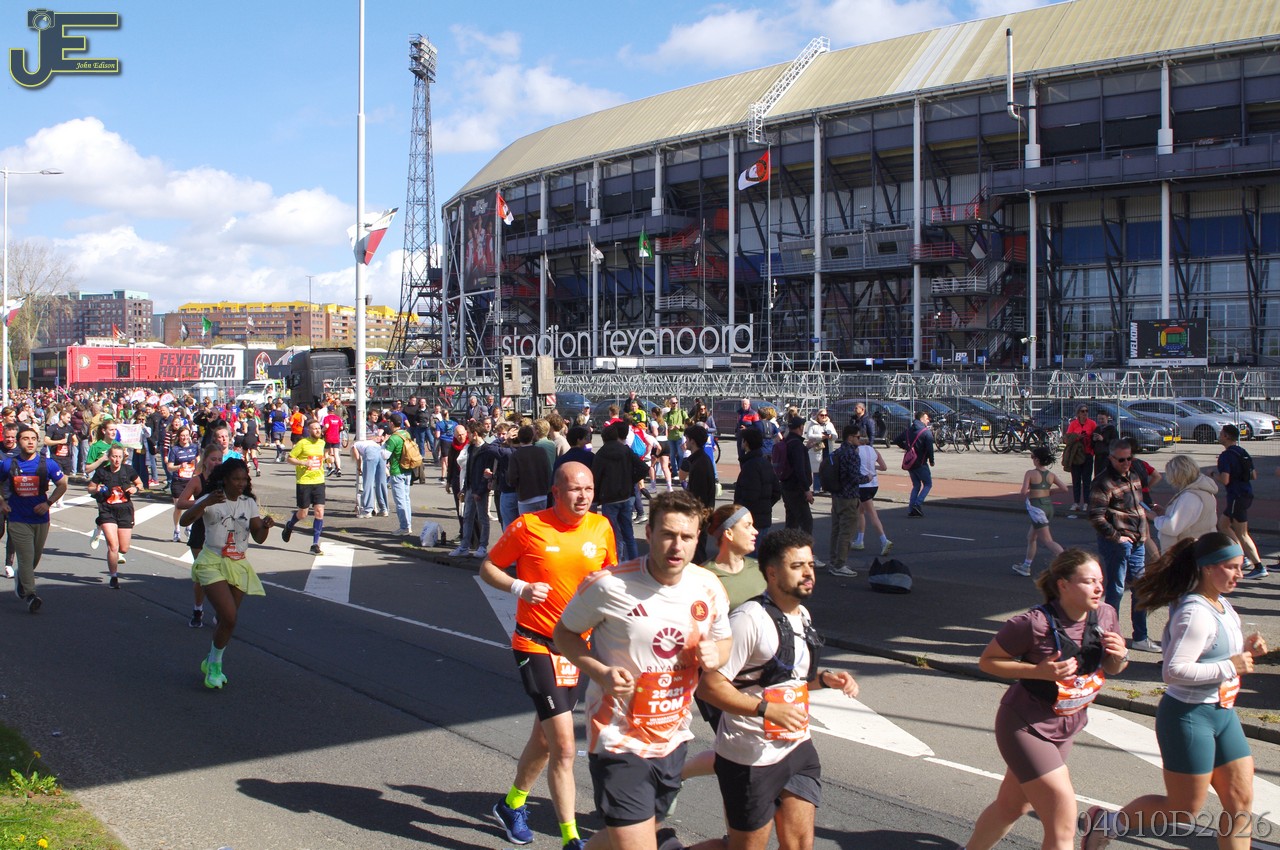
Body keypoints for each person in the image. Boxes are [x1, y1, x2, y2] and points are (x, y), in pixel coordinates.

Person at [553, 489, 731, 850]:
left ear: (698, 538)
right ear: (648, 533)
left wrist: (717, 655)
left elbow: (723, 641)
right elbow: (564, 634)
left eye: (686, 537)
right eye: (667, 534)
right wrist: (599, 671)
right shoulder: (609, 585)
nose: (676, 546)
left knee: (633, 831)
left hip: (673, 737)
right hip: (618, 738)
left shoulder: (708, 586)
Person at [1082, 532, 1268, 850]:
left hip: (1223, 714)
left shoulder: (1221, 603)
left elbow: (1218, 655)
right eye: (1232, 567)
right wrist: (1230, 666)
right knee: (1183, 809)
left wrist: (1248, 649)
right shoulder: (1194, 612)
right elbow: (1173, 671)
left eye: (1241, 566)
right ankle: (1107, 823)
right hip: (1189, 716)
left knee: (1240, 801)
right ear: (1208, 567)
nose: (1240, 573)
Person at [480, 463, 618, 850]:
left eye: (589, 489)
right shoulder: (529, 526)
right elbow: (488, 567)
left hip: (575, 650)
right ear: (556, 492)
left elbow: (611, 577)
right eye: (575, 489)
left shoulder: (601, 527)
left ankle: (511, 804)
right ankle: (570, 838)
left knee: (543, 739)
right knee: (564, 746)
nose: (583, 496)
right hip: (535, 643)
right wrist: (520, 587)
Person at [696, 528, 860, 850]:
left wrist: (825, 679)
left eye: (810, 564)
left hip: (797, 747)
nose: (808, 573)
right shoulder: (749, 620)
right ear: (772, 573)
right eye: (797, 566)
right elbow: (709, 687)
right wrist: (766, 710)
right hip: (750, 756)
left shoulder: (802, 614)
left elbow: (785, 678)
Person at [962, 549, 1129, 850]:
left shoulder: (1106, 615)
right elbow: (987, 662)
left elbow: (1114, 668)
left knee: (1012, 806)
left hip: (1067, 725)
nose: (1098, 588)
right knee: (1063, 819)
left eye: (1100, 581)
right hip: (1026, 726)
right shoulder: (1033, 623)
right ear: (1063, 585)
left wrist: (1120, 656)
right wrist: (1037, 671)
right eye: (1089, 581)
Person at [180, 458, 275, 690]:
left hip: (238, 562)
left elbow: (259, 537)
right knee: (230, 616)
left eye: (244, 479)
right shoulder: (211, 498)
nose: (241, 483)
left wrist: (265, 526)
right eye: (236, 479)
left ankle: (211, 660)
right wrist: (205, 502)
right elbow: (184, 520)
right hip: (212, 561)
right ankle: (215, 667)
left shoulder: (248, 503)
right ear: (224, 479)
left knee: (226, 621)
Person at [1088, 438, 1159, 653]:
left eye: (1129, 458)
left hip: (1137, 540)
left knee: (1140, 587)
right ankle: (1110, 636)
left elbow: (1136, 506)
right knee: (1116, 589)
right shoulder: (1103, 481)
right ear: (1111, 458)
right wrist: (1116, 536)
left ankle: (1140, 636)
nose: (1126, 463)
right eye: (1121, 460)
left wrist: (1147, 519)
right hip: (1117, 542)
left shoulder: (1134, 475)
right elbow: (1095, 515)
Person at [0, 424, 69, 612]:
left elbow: (62, 484)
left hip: (40, 518)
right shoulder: (8, 464)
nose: (30, 442)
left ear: (37, 442)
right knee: (25, 556)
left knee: (34, 558)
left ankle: (21, 577)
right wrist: (2, 502)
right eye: (25, 439)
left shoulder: (48, 464)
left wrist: (48, 503)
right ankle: (31, 595)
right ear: (18, 442)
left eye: (33, 439)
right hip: (17, 517)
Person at [176, 444, 225, 628]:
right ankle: (198, 609)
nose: (216, 463)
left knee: (220, 574)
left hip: (220, 531)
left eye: (219, 459)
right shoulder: (198, 480)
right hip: (200, 531)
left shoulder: (225, 480)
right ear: (205, 461)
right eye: (213, 459)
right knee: (203, 574)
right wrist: (201, 502)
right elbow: (181, 503)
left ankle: (220, 609)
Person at [592, 421, 650, 562]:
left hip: (609, 498)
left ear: (604, 438)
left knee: (614, 534)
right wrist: (631, 480)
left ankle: (617, 563)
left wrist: (597, 498)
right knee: (628, 534)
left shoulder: (601, 454)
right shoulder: (626, 451)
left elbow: (596, 477)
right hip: (626, 495)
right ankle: (633, 562)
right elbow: (644, 468)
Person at [1214, 424, 1265, 578]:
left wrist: (1212, 474)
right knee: (1223, 525)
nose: (1219, 436)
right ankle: (1241, 557)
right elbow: (1253, 475)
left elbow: (1225, 479)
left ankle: (1259, 566)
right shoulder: (1242, 452)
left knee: (1242, 533)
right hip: (1245, 493)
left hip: (1236, 496)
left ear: (1226, 436)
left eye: (1221, 434)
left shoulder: (1226, 456)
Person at [89, 443, 143, 589]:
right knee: (113, 546)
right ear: (109, 457)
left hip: (125, 510)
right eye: (114, 456)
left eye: (119, 456)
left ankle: (99, 526)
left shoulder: (128, 470)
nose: (117, 460)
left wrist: (135, 488)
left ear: (123, 457)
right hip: (107, 510)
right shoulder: (102, 472)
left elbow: (140, 484)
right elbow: (90, 487)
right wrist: (97, 488)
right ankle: (113, 577)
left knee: (123, 549)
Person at [1012, 446, 1069, 577]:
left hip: (1037, 508)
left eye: (1032, 457)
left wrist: (1032, 491)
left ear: (1037, 460)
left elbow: (1023, 491)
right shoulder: (1051, 475)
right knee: (1031, 537)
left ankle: (1067, 562)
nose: (1032, 459)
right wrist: (1050, 491)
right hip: (1048, 507)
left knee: (1048, 541)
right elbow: (1065, 489)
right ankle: (1026, 565)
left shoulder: (1030, 473)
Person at [701, 503, 765, 610]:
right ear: (729, 534)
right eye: (747, 526)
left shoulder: (761, 569)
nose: (755, 531)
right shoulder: (704, 576)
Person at [1152, 454, 1218, 553]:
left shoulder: (1190, 496)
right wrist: (1165, 513)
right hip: (1202, 547)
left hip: (1187, 551)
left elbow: (1173, 527)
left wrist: (1155, 518)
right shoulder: (1203, 491)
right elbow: (1189, 518)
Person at [282, 419, 328, 556]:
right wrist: (303, 462)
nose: (318, 431)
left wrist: (328, 459)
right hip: (304, 482)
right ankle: (290, 525)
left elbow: (321, 459)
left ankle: (315, 544)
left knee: (319, 511)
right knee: (303, 513)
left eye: (319, 428)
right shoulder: (302, 443)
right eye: (315, 429)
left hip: (319, 481)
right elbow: (289, 458)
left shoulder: (322, 443)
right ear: (309, 430)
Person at [732, 427, 781, 546]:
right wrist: (766, 505)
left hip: (751, 520)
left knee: (750, 552)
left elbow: (750, 496)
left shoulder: (750, 465)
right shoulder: (765, 463)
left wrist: (738, 512)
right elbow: (776, 491)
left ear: (746, 443)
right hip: (763, 517)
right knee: (759, 552)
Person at [682, 424, 717, 564]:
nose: (685, 442)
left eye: (687, 439)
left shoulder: (700, 463)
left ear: (693, 441)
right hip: (701, 511)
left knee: (697, 550)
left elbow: (699, 494)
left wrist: (693, 512)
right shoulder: (700, 459)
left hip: (699, 513)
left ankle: (700, 570)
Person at [895, 410, 935, 517]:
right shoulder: (926, 432)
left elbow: (897, 440)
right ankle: (917, 504)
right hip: (921, 462)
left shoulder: (909, 430)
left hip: (910, 462)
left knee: (916, 485)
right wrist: (931, 460)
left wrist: (907, 448)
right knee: (928, 484)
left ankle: (911, 509)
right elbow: (930, 449)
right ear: (921, 419)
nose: (928, 420)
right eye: (926, 418)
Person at [779, 416, 814, 535]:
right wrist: (806, 490)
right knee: (806, 522)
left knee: (791, 521)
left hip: (786, 484)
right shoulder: (797, 444)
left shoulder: (787, 441)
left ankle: (787, 544)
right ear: (801, 427)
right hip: (796, 487)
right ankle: (805, 545)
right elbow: (799, 469)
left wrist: (806, 448)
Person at [166, 426, 200, 541]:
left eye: (186, 435)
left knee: (191, 506)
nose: (184, 438)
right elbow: (169, 467)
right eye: (182, 436)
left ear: (189, 435)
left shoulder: (194, 447)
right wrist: (179, 466)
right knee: (178, 507)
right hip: (178, 481)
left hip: (190, 481)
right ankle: (176, 530)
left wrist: (197, 468)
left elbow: (198, 460)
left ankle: (188, 527)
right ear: (179, 437)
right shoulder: (175, 449)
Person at [384, 413, 415, 536]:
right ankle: (408, 525)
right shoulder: (406, 434)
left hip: (397, 471)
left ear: (392, 423)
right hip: (407, 469)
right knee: (406, 499)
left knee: (400, 501)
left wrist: (384, 443)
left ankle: (404, 527)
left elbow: (385, 455)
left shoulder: (393, 438)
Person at [1062, 405, 1096, 512]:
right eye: (1082, 411)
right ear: (1078, 413)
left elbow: (1095, 437)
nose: (1085, 413)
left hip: (1087, 454)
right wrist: (1077, 437)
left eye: (1086, 411)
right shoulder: (1073, 424)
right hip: (1076, 455)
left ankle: (1086, 502)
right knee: (1076, 479)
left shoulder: (1092, 423)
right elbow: (1067, 438)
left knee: (1086, 480)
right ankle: (1076, 502)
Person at [350, 428, 389, 518]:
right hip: (380, 451)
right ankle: (384, 509)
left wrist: (359, 468)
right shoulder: (367, 442)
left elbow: (358, 458)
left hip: (370, 453)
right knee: (381, 482)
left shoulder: (354, 445)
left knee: (368, 482)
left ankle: (367, 510)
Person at [803, 409, 837, 493]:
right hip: (817, 449)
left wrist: (830, 436)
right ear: (818, 416)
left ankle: (826, 488)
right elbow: (809, 435)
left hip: (827, 449)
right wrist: (821, 436)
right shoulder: (812, 424)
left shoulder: (829, 424)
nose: (824, 417)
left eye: (825, 415)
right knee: (817, 469)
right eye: (822, 415)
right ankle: (816, 488)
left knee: (827, 470)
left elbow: (835, 436)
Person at [1091, 411, 1119, 482]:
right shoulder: (1097, 429)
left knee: (1107, 477)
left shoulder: (1112, 429)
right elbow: (1092, 444)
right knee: (1098, 476)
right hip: (1098, 456)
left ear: (1107, 418)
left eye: (1102, 419)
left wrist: (1103, 439)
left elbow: (1115, 442)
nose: (1100, 421)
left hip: (1107, 456)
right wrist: (1093, 440)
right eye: (1099, 419)